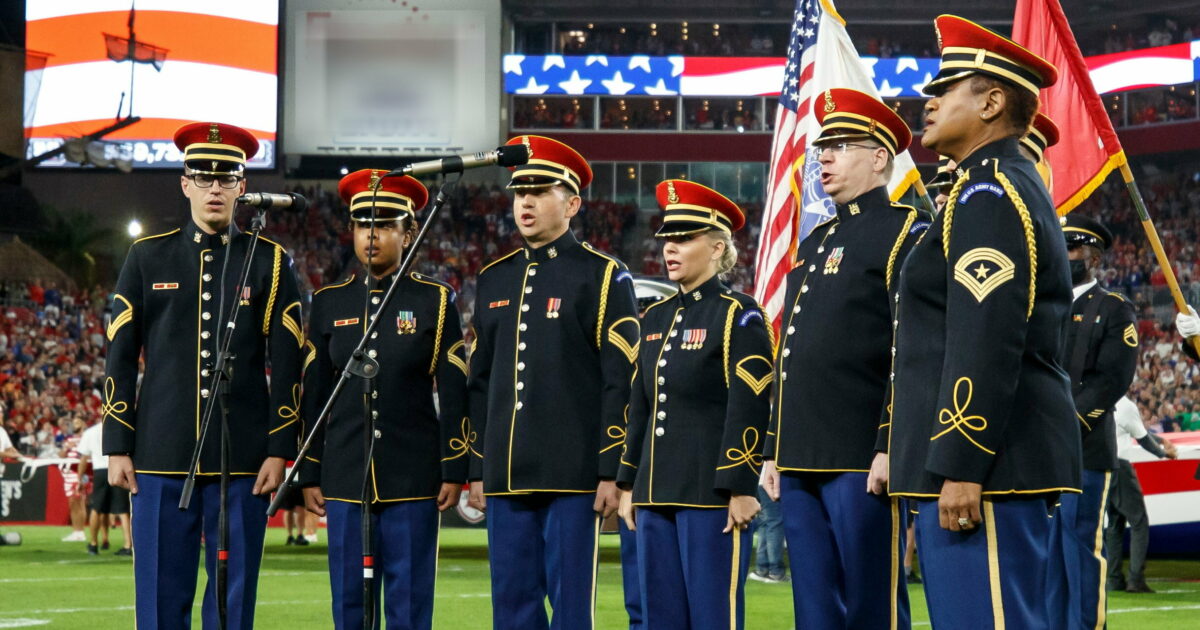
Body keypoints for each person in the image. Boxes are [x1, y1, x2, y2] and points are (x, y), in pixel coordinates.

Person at [887, 15, 1081, 629]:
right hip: (989, 463)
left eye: (947, 88)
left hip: (988, 469)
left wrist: (961, 464)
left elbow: (986, 336)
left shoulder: (986, 195)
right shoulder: (985, 188)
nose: (930, 99)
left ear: (993, 101)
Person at [103, 122, 304, 630]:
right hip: (157, 454)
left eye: (227, 177)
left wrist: (279, 449)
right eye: (203, 176)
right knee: (158, 601)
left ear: (242, 186)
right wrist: (118, 444)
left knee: (233, 605)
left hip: (243, 460)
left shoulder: (272, 261)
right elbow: (120, 355)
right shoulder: (147, 256)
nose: (215, 187)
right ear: (185, 182)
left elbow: (288, 362)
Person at [760, 88, 922, 629]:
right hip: (799, 455)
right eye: (821, 147)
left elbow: (910, 349)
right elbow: (792, 353)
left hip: (860, 456)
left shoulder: (906, 232)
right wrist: (772, 447)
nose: (823, 157)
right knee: (814, 609)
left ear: (880, 158)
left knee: (871, 605)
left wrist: (888, 441)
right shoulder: (816, 239)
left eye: (841, 145)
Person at [467, 135, 640, 630]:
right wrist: (478, 466)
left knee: (570, 611)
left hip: (574, 474)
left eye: (540, 191)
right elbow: (479, 383)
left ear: (572, 203)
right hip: (504, 474)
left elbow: (620, 383)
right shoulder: (495, 277)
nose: (525, 202)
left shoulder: (604, 276)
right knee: (511, 607)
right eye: (520, 192)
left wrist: (612, 471)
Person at [300, 169, 468, 630]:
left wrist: (455, 468)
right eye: (362, 224)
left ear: (408, 231)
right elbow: (314, 393)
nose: (371, 235)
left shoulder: (436, 300)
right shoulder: (328, 302)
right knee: (349, 605)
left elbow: (453, 392)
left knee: (410, 605)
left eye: (385, 224)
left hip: (413, 476)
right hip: (345, 475)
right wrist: (310, 470)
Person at [617, 179, 772, 629]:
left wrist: (742, 487)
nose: (670, 248)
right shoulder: (656, 317)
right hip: (653, 494)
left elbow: (750, 403)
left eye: (684, 239)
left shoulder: (738, 314)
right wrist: (628, 483)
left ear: (718, 246)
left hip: (711, 496)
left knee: (711, 618)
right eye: (667, 238)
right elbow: (641, 407)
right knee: (660, 619)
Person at [1058, 213, 1138, 629]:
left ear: (1094, 258)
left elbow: (1112, 380)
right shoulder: (1043, 304)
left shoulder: (1113, 309)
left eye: (1074, 249)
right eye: (1063, 246)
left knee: (1078, 545)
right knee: (1047, 553)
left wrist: (1064, 422)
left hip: (1083, 447)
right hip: (1038, 451)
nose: (1067, 255)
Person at [1106, 395, 1177, 593]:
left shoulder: (1103, 399)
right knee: (1139, 522)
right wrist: (1164, 453)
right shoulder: (1126, 405)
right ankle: (1136, 579)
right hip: (1121, 468)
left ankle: (1114, 579)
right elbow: (1142, 438)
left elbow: (1136, 431)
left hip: (1104, 467)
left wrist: (1161, 440)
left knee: (1113, 525)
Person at [78, 418, 132, 556]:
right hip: (117, 468)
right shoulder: (119, 428)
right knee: (123, 509)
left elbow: (84, 458)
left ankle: (94, 543)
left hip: (100, 471)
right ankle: (128, 544)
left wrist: (79, 478)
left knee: (97, 508)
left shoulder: (91, 432)